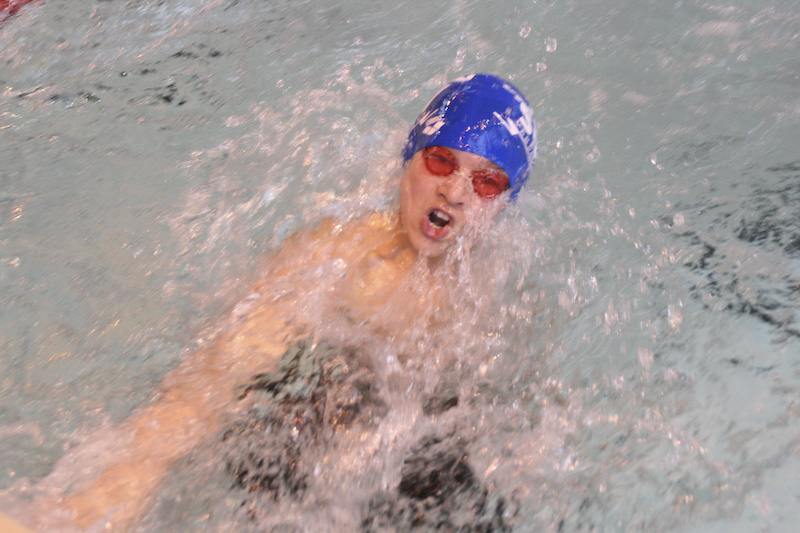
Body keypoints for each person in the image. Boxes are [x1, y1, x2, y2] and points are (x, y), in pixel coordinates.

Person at [44, 73, 537, 531]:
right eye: (441, 161)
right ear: (407, 159)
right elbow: (222, 367)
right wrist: (128, 478)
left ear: (504, 204)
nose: (454, 191)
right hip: (306, 426)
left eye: (486, 182)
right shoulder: (339, 256)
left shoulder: (496, 287)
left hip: (410, 442)